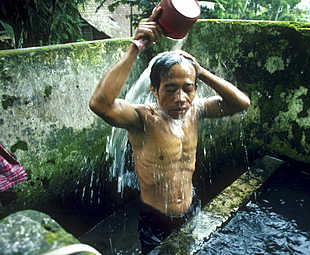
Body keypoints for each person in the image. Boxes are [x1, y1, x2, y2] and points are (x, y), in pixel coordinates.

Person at [89, 8, 250, 254]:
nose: (181, 98)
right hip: (155, 218)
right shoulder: (143, 118)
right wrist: (136, 46)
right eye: (170, 89)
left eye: (188, 88)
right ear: (154, 89)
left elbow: (241, 103)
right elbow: (100, 104)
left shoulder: (196, 110)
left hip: (190, 207)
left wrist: (201, 71)